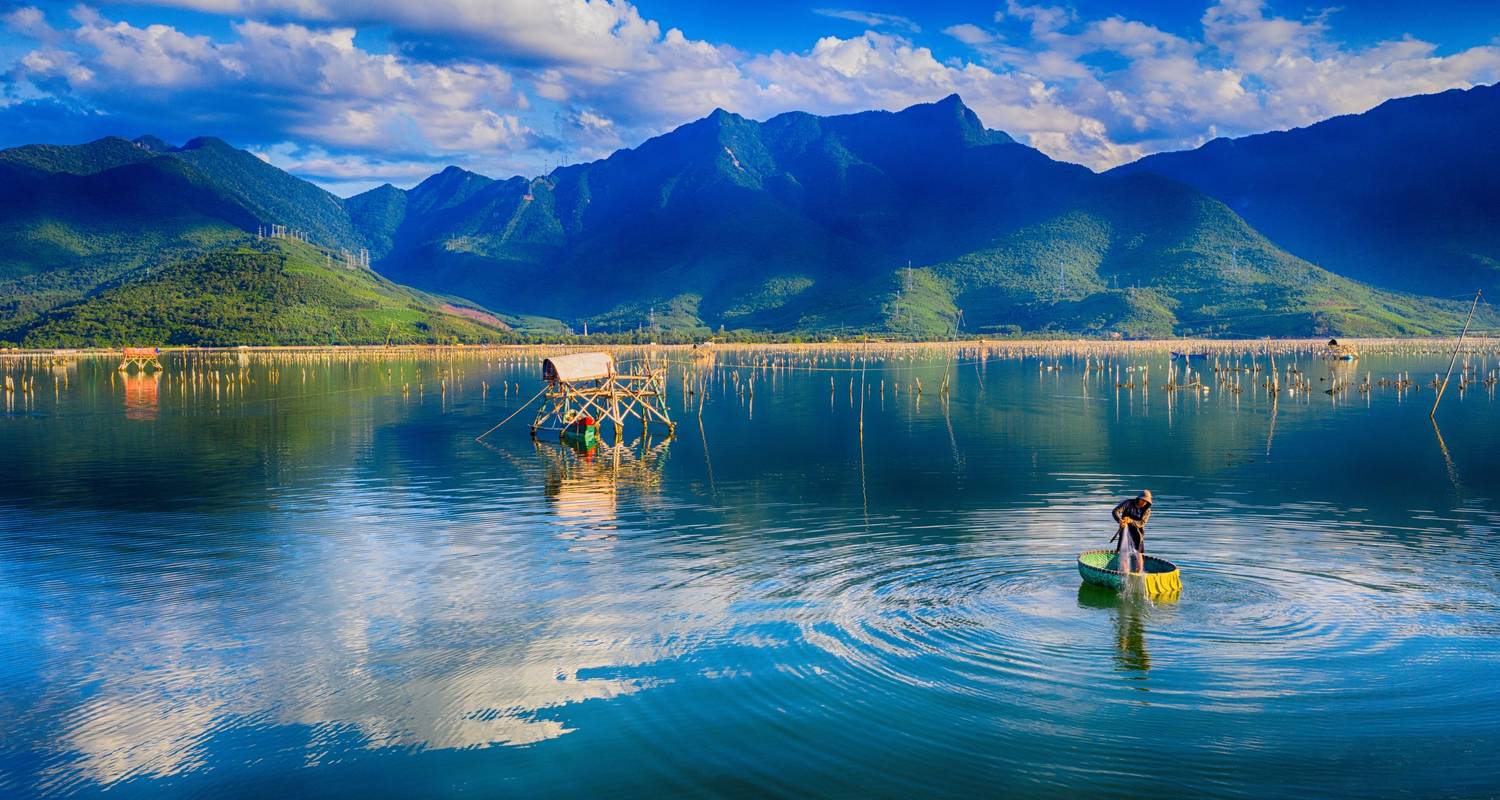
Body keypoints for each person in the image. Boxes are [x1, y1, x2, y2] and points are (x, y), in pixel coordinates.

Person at [1111, 490, 1152, 573]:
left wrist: (1131, 521)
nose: (1144, 502)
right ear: (1139, 498)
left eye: (1146, 501)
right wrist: (1120, 520)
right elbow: (1115, 511)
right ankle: (1125, 572)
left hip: (1138, 534)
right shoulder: (1128, 503)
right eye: (1143, 500)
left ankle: (1138, 572)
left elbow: (1141, 523)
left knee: (1139, 554)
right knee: (1124, 552)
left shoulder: (1147, 510)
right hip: (1124, 532)